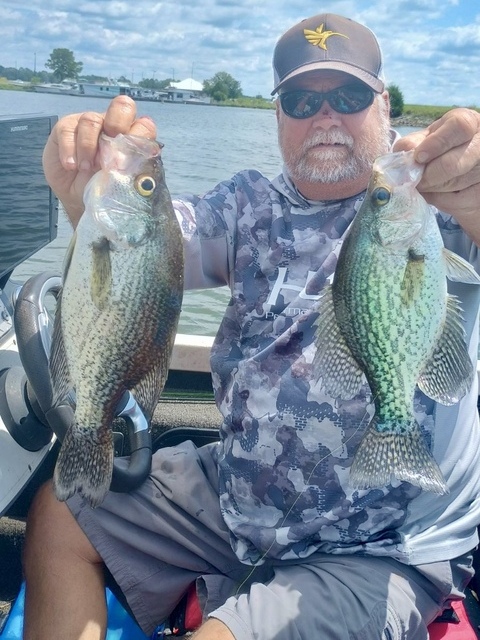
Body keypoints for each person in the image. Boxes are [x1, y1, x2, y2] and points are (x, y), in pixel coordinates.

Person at [23, 12, 480, 640]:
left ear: (384, 105)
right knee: (59, 514)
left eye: (347, 97)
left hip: (378, 544)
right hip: (236, 499)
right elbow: (147, 246)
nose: (325, 116)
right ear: (276, 116)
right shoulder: (246, 204)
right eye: (299, 99)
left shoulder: (443, 207)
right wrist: (88, 198)